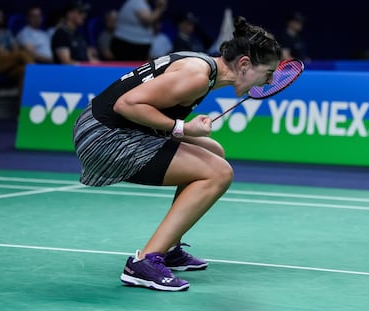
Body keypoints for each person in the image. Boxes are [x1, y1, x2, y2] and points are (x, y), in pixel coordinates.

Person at [73, 16, 281, 291]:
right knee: (218, 173)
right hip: (103, 136)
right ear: (244, 64)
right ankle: (144, 262)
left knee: (214, 150)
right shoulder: (196, 75)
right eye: (267, 74)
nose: (267, 83)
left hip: (117, 127)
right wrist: (182, 127)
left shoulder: (203, 67)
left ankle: (169, 246)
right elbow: (127, 104)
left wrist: (185, 130)